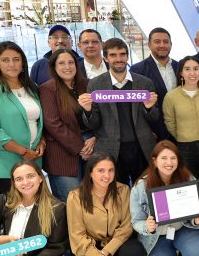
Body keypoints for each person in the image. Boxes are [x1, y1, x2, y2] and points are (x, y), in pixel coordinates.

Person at [130, 141, 199, 256]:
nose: (169, 162)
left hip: (183, 229)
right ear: (154, 161)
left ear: (178, 160)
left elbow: (194, 213)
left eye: (173, 158)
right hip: (157, 238)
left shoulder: (187, 178)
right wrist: (147, 226)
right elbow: (136, 221)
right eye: (164, 158)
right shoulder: (141, 186)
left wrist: (198, 220)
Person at [67, 154, 145, 256]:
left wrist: (105, 253)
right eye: (101, 170)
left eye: (111, 170)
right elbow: (77, 236)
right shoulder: (75, 196)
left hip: (115, 244)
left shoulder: (123, 190)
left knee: (136, 250)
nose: (107, 175)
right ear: (90, 172)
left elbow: (126, 227)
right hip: (88, 248)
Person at [82, 38, 160, 185]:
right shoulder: (95, 84)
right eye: (113, 55)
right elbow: (93, 124)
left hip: (141, 148)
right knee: (114, 193)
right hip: (111, 150)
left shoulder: (145, 83)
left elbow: (154, 118)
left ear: (127, 56)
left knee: (145, 190)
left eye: (122, 54)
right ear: (106, 58)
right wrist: (87, 111)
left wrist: (149, 108)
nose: (118, 59)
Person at [163, 56, 199, 239]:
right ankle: (193, 231)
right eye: (187, 69)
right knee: (189, 191)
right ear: (181, 72)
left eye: (196, 68)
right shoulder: (171, 96)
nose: (192, 73)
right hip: (184, 148)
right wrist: (184, 137)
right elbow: (170, 123)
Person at [0, 41, 44, 193]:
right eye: (5, 60)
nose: (12, 64)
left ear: (23, 63)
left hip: (34, 160)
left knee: (37, 205)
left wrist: (42, 141)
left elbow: (39, 121)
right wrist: (24, 152)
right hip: (6, 163)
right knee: (15, 206)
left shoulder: (32, 88)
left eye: (16, 59)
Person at [39, 48, 92, 202]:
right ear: (54, 67)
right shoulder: (48, 89)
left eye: (71, 62)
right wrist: (80, 147)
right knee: (70, 203)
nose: (67, 67)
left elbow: (99, 115)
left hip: (91, 148)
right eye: (61, 63)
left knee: (91, 200)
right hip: (63, 155)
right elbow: (53, 123)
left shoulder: (88, 85)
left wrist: (94, 137)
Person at [129, 27, 179, 142]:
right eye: (157, 42)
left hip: (180, 130)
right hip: (154, 133)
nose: (162, 45)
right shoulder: (137, 70)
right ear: (149, 45)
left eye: (166, 41)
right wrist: (146, 130)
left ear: (171, 44)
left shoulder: (180, 67)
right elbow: (134, 106)